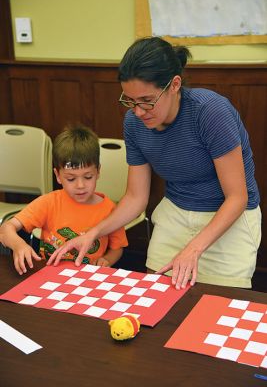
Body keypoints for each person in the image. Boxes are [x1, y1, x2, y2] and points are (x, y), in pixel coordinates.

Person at [47, 37, 261, 290]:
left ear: (174, 85)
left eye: (147, 100)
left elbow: (237, 197)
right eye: (129, 100)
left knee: (219, 305)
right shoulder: (134, 123)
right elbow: (136, 197)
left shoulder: (210, 112)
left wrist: (192, 249)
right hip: (176, 211)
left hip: (228, 216)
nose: (138, 111)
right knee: (157, 295)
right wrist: (93, 233)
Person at [0, 125, 128, 275]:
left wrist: (107, 260)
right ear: (58, 175)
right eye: (71, 178)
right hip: (50, 275)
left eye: (88, 177)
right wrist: (19, 245)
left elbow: (117, 248)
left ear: (98, 171)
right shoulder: (49, 203)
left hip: (90, 277)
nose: (80, 186)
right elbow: (6, 228)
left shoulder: (110, 209)